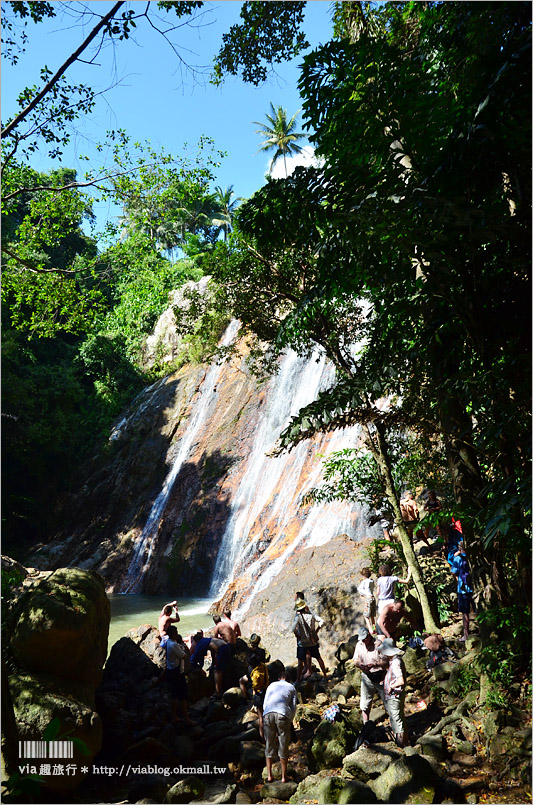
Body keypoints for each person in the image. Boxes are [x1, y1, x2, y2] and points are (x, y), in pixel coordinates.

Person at [262, 667, 297, 783]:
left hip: (268, 713)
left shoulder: (271, 685)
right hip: (282, 714)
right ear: (289, 680)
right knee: (283, 744)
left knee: (269, 744)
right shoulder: (291, 687)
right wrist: (290, 720)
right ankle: (283, 776)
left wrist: (265, 715)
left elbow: (265, 703)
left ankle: (269, 776)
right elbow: (293, 707)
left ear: (279, 678)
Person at [352, 626, 388, 722]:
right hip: (366, 677)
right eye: (362, 639)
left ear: (369, 635)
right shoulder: (359, 645)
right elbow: (355, 660)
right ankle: (366, 725)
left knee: (387, 702)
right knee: (364, 704)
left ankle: (393, 724)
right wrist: (360, 665)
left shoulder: (378, 644)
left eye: (365, 639)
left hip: (380, 676)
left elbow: (386, 662)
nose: (363, 641)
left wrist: (375, 664)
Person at [378, 637, 409, 747]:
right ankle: (405, 743)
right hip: (396, 695)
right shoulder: (395, 661)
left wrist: (391, 686)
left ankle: (401, 745)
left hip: (394, 696)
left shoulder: (395, 663)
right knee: (399, 718)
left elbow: (401, 680)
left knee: (397, 721)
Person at [292, 599, 328, 682]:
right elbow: (322, 621)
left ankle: (297, 680)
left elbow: (293, 628)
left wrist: (297, 635)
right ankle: (325, 675)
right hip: (312, 641)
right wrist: (317, 630)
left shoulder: (297, 617)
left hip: (302, 643)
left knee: (300, 661)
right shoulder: (311, 614)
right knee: (318, 658)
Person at [164, 626, 193, 725]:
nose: (177, 633)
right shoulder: (174, 645)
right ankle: (186, 719)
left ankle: (174, 716)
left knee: (174, 695)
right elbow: (183, 656)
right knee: (183, 695)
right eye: (176, 632)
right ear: (173, 633)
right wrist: (183, 647)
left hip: (170, 670)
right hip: (177, 672)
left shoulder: (168, 642)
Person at [450, 542, 473, 641]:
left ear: (459, 549)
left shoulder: (458, 558)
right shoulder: (472, 557)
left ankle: (466, 635)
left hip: (463, 588)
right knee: (478, 610)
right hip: (474, 587)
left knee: (465, 613)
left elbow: (453, 571)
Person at [357, 567, 377, 634]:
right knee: (372, 614)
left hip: (368, 598)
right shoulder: (372, 581)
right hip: (373, 598)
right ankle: (374, 628)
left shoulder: (364, 582)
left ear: (363, 575)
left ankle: (370, 629)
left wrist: (363, 594)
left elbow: (359, 589)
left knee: (366, 615)